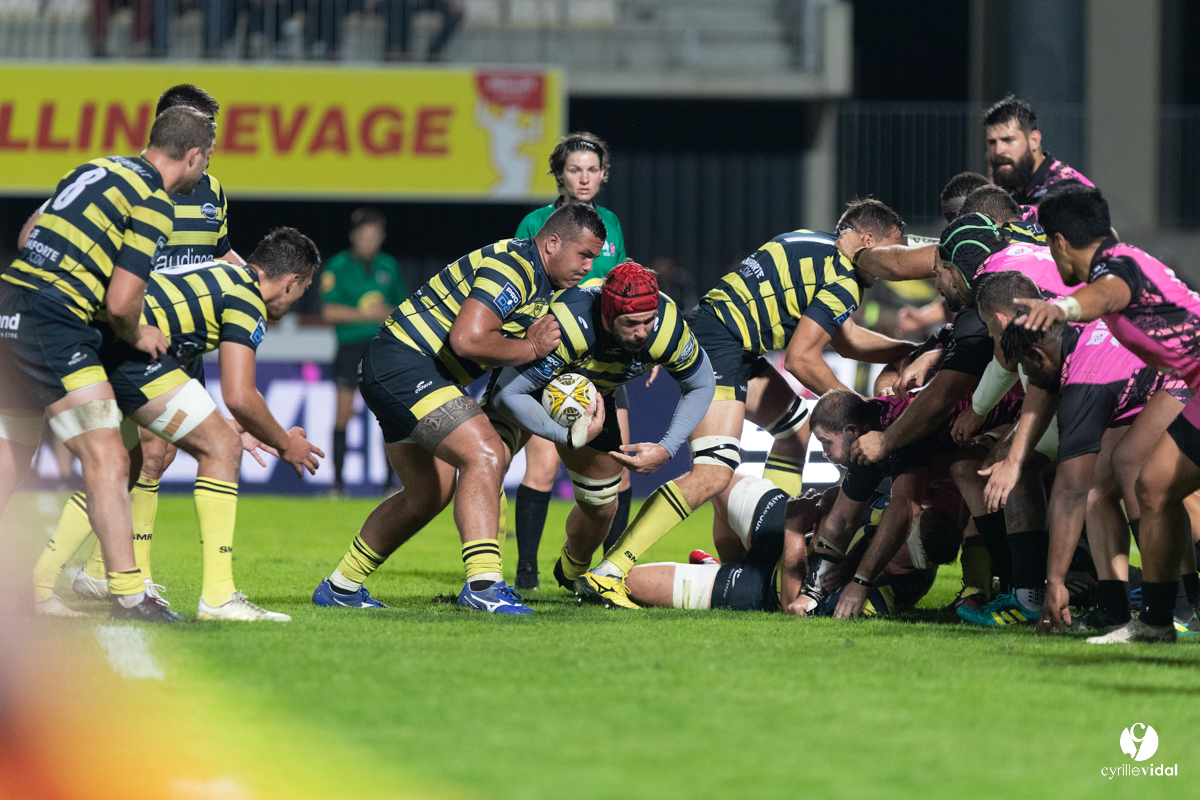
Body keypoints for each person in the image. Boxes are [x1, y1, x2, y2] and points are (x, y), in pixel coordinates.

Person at [572, 200, 917, 609]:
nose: (896, 262)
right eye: (894, 248)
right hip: (721, 347)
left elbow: (848, 339)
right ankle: (610, 570)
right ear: (869, 240)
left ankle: (759, 553)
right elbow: (801, 360)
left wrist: (911, 349)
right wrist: (861, 411)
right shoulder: (841, 277)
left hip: (724, 338)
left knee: (795, 431)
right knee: (713, 473)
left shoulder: (815, 246)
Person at [312, 204, 606, 615]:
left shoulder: (540, 280)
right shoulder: (514, 267)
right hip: (406, 363)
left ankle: (340, 586)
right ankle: (484, 586)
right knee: (484, 452)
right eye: (584, 255)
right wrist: (531, 347)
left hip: (401, 367)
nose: (589, 266)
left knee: (428, 494)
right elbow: (467, 340)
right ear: (553, 243)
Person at [32, 229, 326, 620]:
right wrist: (286, 444)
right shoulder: (246, 297)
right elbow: (240, 396)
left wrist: (237, 426)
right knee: (221, 448)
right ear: (291, 281)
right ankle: (219, 598)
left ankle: (39, 586)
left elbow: (188, 392)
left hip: (84, 343)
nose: (300, 297)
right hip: (120, 349)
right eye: (304, 288)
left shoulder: (215, 275)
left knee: (121, 467)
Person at [0, 106, 214, 623]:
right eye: (207, 159)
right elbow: (121, 305)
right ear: (192, 155)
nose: (206, 170)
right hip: (52, 322)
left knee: (12, 455)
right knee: (110, 457)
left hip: (10, 306)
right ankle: (129, 595)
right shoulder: (155, 200)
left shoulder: (96, 168)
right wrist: (139, 333)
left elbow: (28, 238)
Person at [38, 84, 247, 605]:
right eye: (201, 126)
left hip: (182, 338)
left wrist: (253, 284)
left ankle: (95, 572)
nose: (211, 139)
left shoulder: (213, 192)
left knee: (149, 458)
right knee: (141, 454)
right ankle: (123, 575)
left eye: (212, 128)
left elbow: (220, 253)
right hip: (134, 334)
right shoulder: (133, 186)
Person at [1014, 187, 1200, 643]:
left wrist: (1060, 307)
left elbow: (1106, 295)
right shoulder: (1122, 256)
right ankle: (1157, 622)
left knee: (1154, 486)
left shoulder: (1115, 268)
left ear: (1059, 242)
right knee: (1154, 487)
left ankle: (1163, 618)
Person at [489, 263, 715, 608]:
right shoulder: (567, 325)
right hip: (526, 383)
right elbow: (507, 394)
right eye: (631, 323)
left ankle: (572, 571)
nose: (642, 333)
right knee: (486, 464)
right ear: (608, 316)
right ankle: (484, 580)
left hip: (592, 396)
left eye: (648, 320)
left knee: (602, 507)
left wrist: (667, 448)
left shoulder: (667, 326)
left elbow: (702, 383)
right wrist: (564, 435)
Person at [1000, 313, 1191, 633]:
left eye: (1026, 366)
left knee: (1133, 470)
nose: (1029, 379)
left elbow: (1069, 490)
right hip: (1163, 376)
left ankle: (1178, 608)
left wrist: (1055, 581)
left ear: (1037, 355)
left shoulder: (1084, 381)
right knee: (1098, 490)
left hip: (1186, 373)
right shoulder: (1078, 332)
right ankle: (1116, 611)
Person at [511, 132, 631, 590]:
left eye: (592, 169)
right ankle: (526, 574)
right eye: (575, 169)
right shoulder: (535, 222)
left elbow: (624, 286)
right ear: (559, 174)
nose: (584, 177)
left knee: (619, 470)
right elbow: (520, 285)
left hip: (605, 358)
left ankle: (611, 574)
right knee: (542, 468)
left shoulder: (611, 223)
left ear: (603, 175)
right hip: (554, 356)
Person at [624, 476, 960, 616]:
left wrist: (796, 530)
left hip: (766, 589)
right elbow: (839, 496)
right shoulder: (903, 520)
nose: (891, 527)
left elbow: (794, 606)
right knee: (720, 482)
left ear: (906, 560)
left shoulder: (878, 599)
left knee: (631, 582)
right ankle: (728, 565)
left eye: (897, 535)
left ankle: (727, 577)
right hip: (787, 538)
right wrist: (844, 550)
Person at [321, 207, 407, 496]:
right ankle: (337, 485)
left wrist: (385, 312)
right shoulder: (338, 266)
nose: (370, 241)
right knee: (343, 414)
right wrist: (366, 315)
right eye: (365, 235)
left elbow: (403, 309)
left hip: (382, 347)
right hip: (349, 347)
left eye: (375, 235)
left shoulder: (389, 266)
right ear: (354, 236)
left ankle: (390, 485)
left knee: (390, 415)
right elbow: (329, 311)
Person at [984, 95, 1094, 206]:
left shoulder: (1069, 191)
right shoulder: (1010, 194)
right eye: (992, 142)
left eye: (1008, 140)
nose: (998, 150)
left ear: (1034, 140)